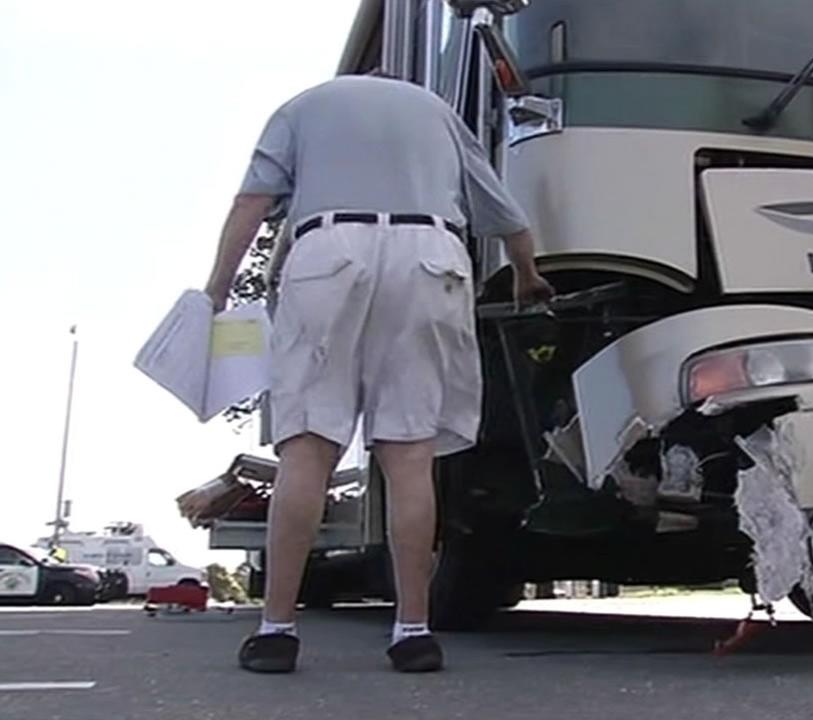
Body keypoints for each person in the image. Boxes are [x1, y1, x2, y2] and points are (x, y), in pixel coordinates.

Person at [203, 72, 553, 674]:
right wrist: (527, 274)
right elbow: (503, 211)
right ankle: (412, 632)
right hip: (429, 257)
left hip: (327, 250)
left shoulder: (302, 107)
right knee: (409, 457)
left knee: (307, 451)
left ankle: (276, 632)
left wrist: (215, 292)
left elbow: (251, 203)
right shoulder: (438, 111)